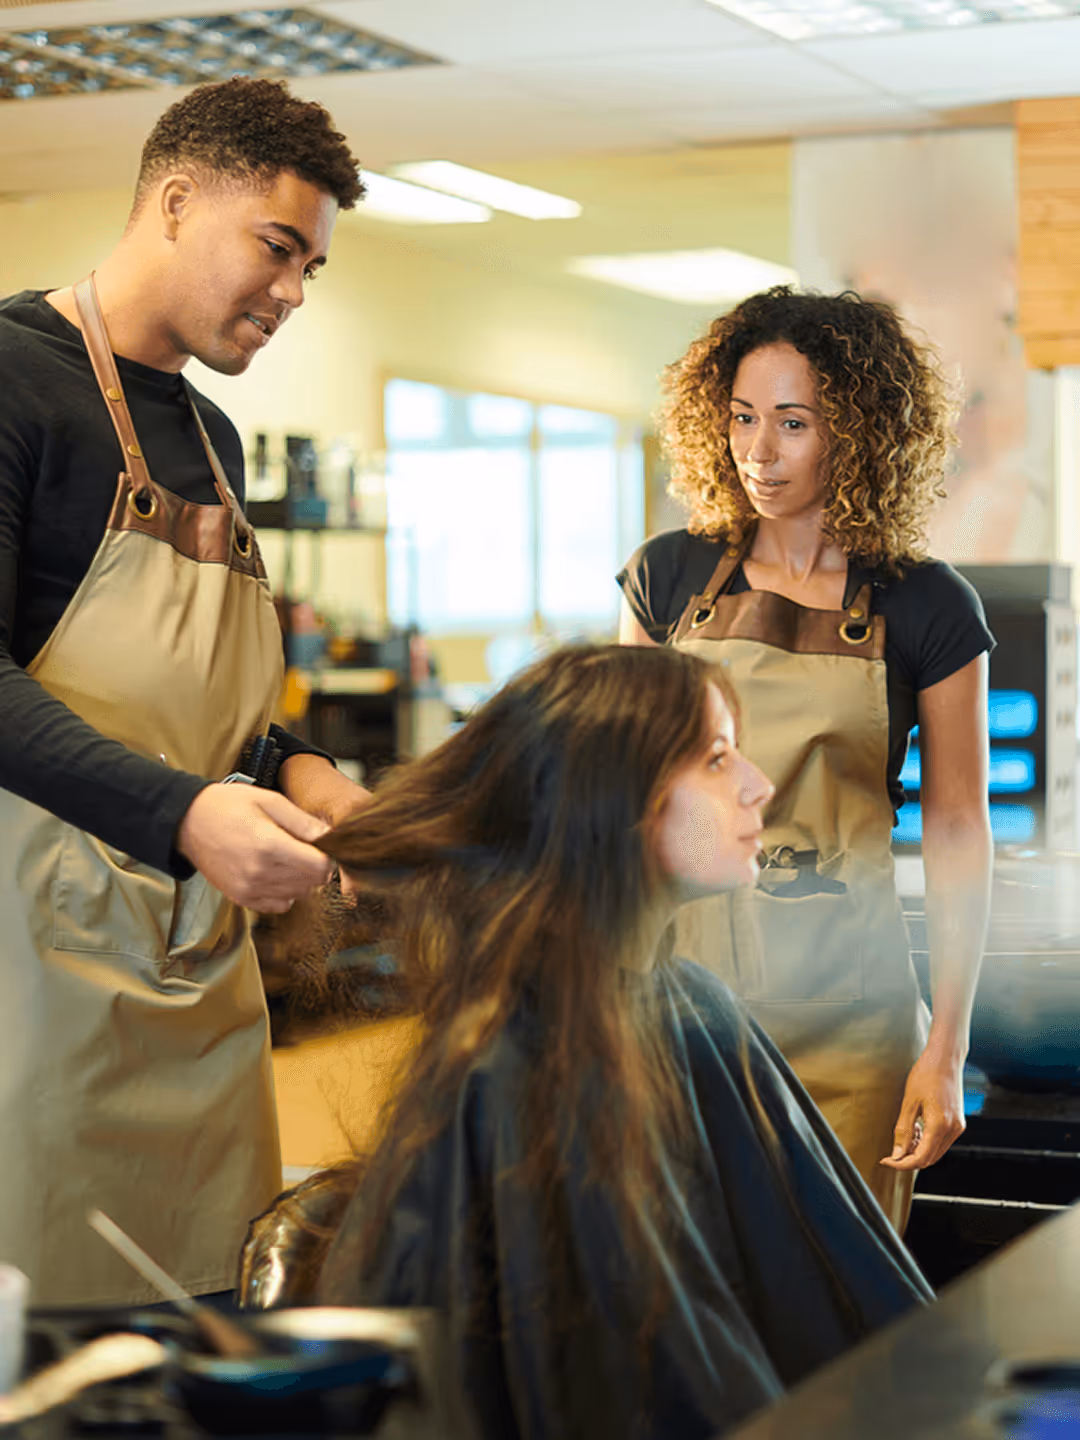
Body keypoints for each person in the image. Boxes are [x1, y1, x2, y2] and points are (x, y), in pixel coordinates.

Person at [240, 645, 932, 1440]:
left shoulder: (692, 1012)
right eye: (715, 758)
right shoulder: (515, 1062)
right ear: (612, 803)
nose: (759, 783)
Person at [0, 77, 371, 1305]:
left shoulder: (210, 438)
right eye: (278, 249)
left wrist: (295, 769)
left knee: (211, 1332)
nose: (293, 294)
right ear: (172, 200)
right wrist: (184, 816)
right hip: (37, 995)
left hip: (201, 988)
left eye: (311, 267)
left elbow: (197, 709)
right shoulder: (12, 378)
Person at [618, 285, 995, 1232]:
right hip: (680, 1010)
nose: (759, 450)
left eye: (794, 422)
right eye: (743, 418)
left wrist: (946, 1046)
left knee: (847, 1319)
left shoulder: (928, 607)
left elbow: (957, 830)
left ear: (858, 433)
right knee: (687, 1313)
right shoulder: (666, 579)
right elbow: (610, 792)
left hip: (855, 1028)